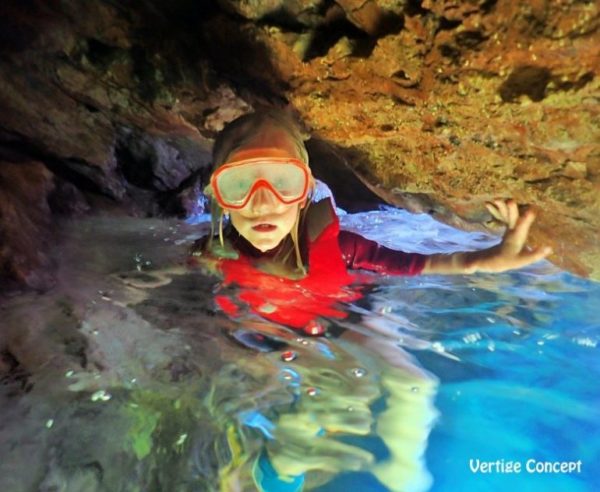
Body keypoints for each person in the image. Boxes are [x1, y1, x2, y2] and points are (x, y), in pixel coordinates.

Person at [187, 108, 551, 491]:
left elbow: (411, 263)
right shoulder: (209, 257)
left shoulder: (342, 247)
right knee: (333, 399)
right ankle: (283, 462)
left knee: (414, 384)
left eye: (283, 182)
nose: (263, 204)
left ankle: (405, 476)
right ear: (219, 197)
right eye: (240, 185)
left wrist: (485, 260)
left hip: (347, 316)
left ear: (305, 193)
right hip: (270, 336)